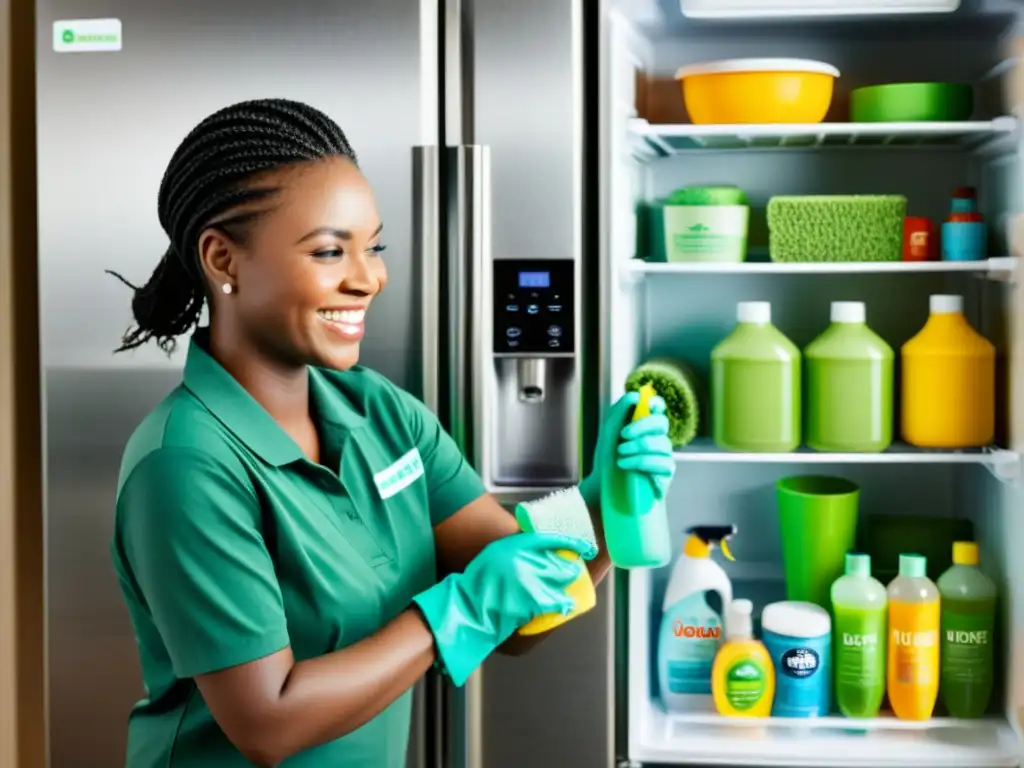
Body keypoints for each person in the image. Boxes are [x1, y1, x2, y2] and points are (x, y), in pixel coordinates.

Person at [107, 98, 674, 768]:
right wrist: (455, 612)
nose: (368, 277)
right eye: (328, 251)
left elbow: (518, 606)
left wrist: (605, 505)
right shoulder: (186, 465)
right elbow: (269, 721)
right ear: (223, 260)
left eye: (372, 246)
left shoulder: (381, 413)